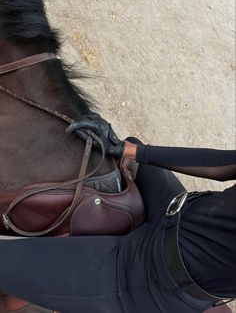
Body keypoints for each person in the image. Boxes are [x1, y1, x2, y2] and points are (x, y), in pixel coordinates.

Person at [0, 114, 235, 313]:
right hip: (175, 212)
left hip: (151, 274)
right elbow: (225, 165)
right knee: (132, 156)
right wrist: (127, 148)